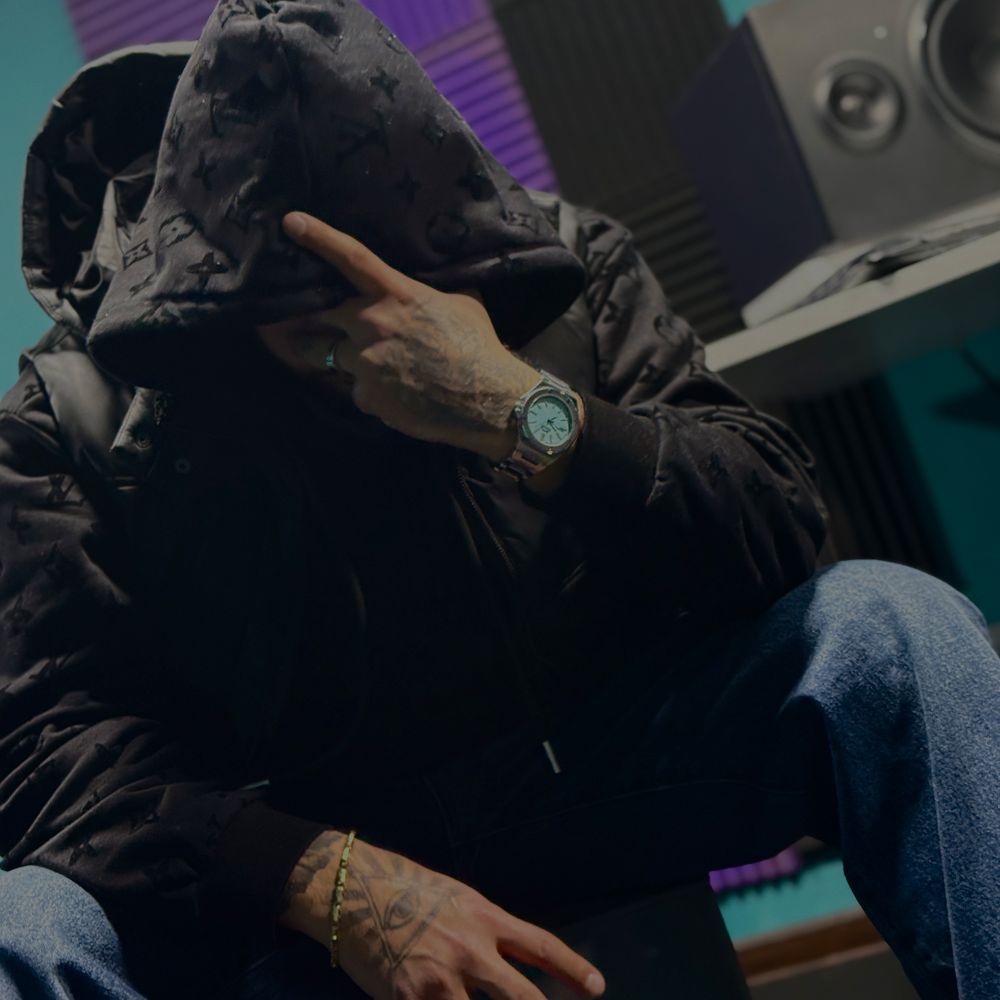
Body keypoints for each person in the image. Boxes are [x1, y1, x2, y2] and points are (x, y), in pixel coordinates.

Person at [2, 4, 999, 1000]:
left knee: (889, 625)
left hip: (594, 770)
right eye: (309, 320)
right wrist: (328, 882)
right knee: (28, 922)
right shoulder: (67, 412)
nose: (359, 339)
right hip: (291, 862)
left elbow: (776, 527)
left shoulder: (559, 271)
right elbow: (51, 757)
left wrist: (517, 408)